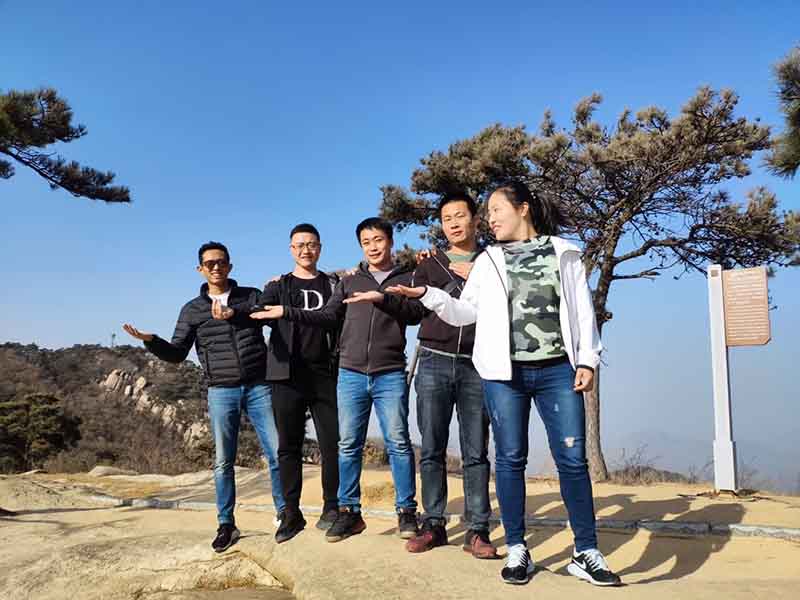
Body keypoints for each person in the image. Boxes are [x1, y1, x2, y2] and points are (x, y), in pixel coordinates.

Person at [386, 181, 622, 586]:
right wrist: (428, 294)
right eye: (488, 212)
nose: (490, 218)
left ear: (523, 209)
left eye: (496, 210)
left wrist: (587, 359)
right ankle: (517, 548)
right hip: (504, 374)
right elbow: (465, 313)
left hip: (557, 371)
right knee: (511, 459)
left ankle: (586, 551)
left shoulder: (564, 252)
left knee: (572, 460)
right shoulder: (490, 260)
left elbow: (583, 310)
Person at [250, 217, 425, 543]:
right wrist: (285, 311)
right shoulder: (348, 281)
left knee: (398, 443)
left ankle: (405, 512)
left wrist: (383, 298)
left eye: (378, 240)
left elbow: (417, 314)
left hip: (386, 372)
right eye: (366, 242)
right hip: (347, 372)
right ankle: (347, 512)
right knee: (347, 445)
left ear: (390, 241)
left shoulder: (405, 278)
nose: (373, 247)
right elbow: (328, 317)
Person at [123, 241, 285, 553]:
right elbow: (177, 353)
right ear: (200, 269)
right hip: (221, 390)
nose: (216, 267)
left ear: (230, 266)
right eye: (209, 263)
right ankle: (226, 524)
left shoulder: (250, 296)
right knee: (223, 461)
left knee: (277, 452)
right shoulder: (192, 310)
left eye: (221, 262)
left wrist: (240, 310)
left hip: (258, 385)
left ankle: (284, 514)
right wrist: (151, 340)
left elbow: (269, 316)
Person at [405, 192, 496, 559]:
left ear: (476, 219)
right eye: (447, 218)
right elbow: (411, 309)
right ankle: (434, 524)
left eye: (460, 215)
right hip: (433, 361)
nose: (454, 223)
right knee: (431, 448)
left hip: (479, 364)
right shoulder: (430, 264)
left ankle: (477, 529)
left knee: (476, 450)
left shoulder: (494, 261)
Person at [253, 223, 341, 543]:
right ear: (291, 249)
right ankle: (291, 512)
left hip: (324, 373)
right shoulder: (278, 285)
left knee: (332, 443)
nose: (306, 250)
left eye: (311, 244)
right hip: (285, 374)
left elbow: (336, 317)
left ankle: (332, 507)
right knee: (288, 446)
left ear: (320, 248)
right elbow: (257, 310)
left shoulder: (332, 284)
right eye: (300, 245)